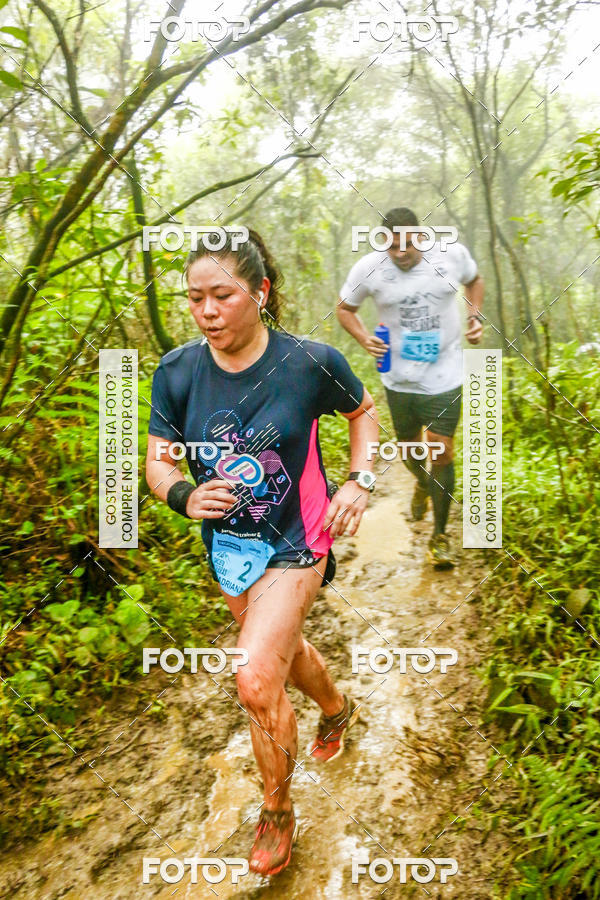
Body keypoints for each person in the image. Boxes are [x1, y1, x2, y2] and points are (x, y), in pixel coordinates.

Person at [145, 228, 379, 877]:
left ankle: (277, 811)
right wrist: (182, 495)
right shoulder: (178, 371)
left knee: (253, 677)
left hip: (298, 542)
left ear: (260, 291)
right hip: (231, 552)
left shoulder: (309, 362)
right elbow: (159, 462)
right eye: (196, 298)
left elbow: (364, 412)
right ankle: (337, 709)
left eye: (222, 295)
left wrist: (359, 482)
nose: (208, 311)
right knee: (279, 653)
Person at [337, 207, 484, 568]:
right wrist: (364, 339)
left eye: (406, 243)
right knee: (411, 453)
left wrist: (474, 316)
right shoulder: (369, 268)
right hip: (399, 378)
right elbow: (344, 308)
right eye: (392, 245)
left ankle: (439, 538)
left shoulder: (450, 255)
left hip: (445, 374)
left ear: (420, 236)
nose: (400, 252)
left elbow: (475, 280)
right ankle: (422, 484)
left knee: (441, 451)